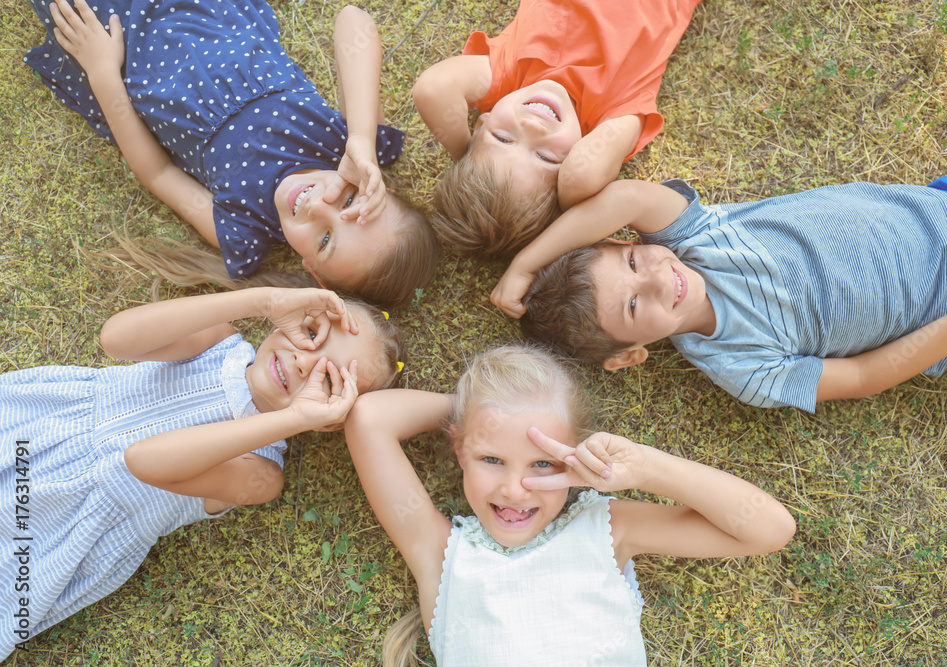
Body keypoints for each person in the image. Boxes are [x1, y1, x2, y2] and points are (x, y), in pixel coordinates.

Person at [0, 286, 404, 657]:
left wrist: (295, 417)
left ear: (329, 420)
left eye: (328, 378)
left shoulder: (261, 473)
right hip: (40, 429)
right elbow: (116, 339)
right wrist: (264, 302)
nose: (303, 361)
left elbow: (142, 461)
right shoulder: (219, 344)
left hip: (63, 529)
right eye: (313, 333)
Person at [344, 345, 795, 665]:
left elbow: (769, 529)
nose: (515, 489)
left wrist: (644, 467)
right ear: (459, 451)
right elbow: (369, 421)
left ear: (575, 455)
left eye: (542, 462)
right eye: (491, 458)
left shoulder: (606, 529)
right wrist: (476, 412)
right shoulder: (441, 556)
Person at [25, 0, 439, 308]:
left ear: (313, 271)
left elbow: (158, 173)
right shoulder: (342, 142)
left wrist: (101, 71)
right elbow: (353, 22)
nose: (317, 207)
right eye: (350, 201)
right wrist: (362, 140)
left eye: (326, 240)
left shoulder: (244, 232)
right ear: (376, 184)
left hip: (122, 48)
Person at [491, 173, 947, 411]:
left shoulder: (694, 238)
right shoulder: (741, 365)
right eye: (632, 304)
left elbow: (625, 197)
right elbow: (864, 376)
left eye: (630, 259)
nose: (655, 277)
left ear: (626, 238)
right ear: (627, 355)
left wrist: (524, 264)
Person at [412, 0, 700, 259]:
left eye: (502, 138)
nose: (533, 127)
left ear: (482, 122)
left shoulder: (512, 77)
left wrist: (467, 153)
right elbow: (583, 175)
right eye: (546, 157)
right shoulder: (613, 107)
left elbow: (432, 90)